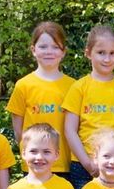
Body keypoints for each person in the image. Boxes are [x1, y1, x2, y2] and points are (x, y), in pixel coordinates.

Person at [63, 25, 114, 189]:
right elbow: (70, 130)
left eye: (112, 53)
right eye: (101, 52)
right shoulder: (79, 87)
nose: (107, 59)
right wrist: (87, 163)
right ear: (88, 53)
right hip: (83, 164)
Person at [7, 21, 75, 176]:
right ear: (33, 50)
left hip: (65, 164)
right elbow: (19, 131)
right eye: (43, 47)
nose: (49, 52)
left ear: (63, 52)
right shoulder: (23, 85)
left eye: (55, 47)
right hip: (34, 165)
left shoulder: (74, 86)